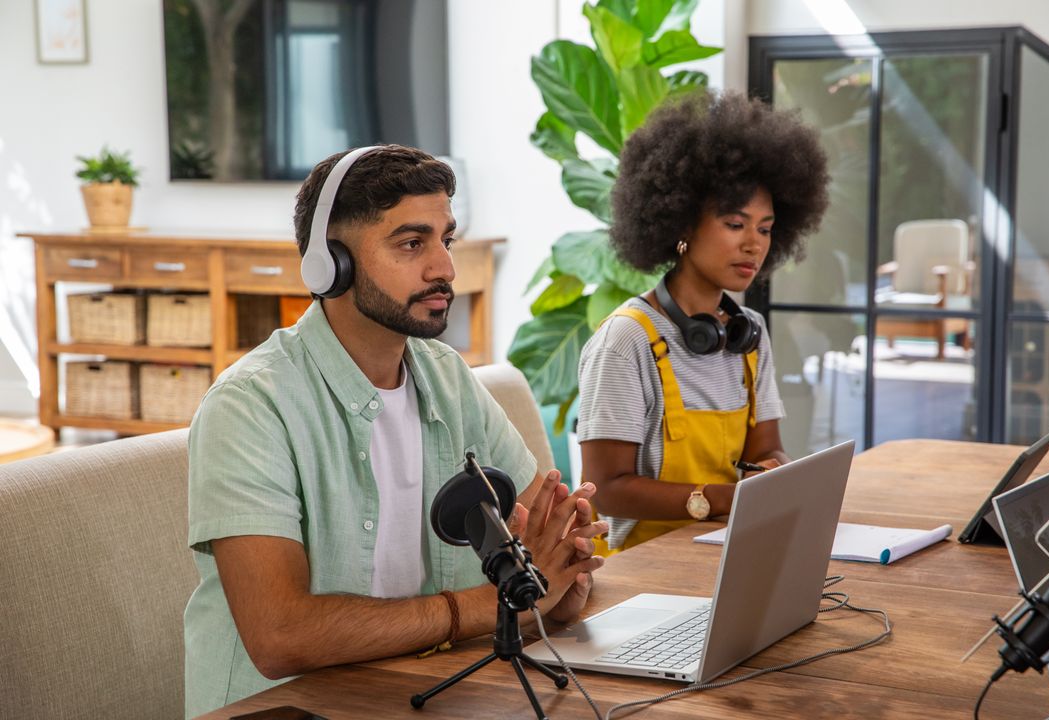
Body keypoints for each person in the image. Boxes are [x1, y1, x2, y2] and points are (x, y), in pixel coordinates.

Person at [184, 145, 607, 717]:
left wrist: (561, 584)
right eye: (412, 244)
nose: (445, 268)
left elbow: (544, 536)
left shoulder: (448, 377)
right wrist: (492, 605)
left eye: (446, 240)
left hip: (425, 692)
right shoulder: (250, 406)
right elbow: (280, 635)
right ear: (330, 263)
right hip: (292, 709)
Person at [576, 90, 830, 554]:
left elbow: (763, 453)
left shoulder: (747, 332)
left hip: (723, 547)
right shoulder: (626, 339)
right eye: (736, 224)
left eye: (766, 228)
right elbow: (604, 488)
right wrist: (717, 500)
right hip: (641, 570)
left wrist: (777, 475)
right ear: (682, 225)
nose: (754, 244)